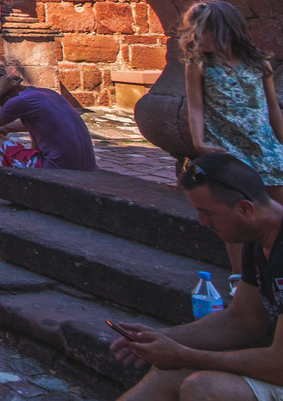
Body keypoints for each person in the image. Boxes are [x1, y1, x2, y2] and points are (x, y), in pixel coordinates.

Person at [111, 152, 283, 400]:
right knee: (170, 371)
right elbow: (243, 320)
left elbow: (279, 365)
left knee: (203, 387)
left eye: (208, 213)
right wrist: (160, 338)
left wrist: (185, 354)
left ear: (245, 208)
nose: (202, 222)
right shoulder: (259, 240)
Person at [184, 0, 283, 280]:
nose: (193, 38)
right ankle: (241, 277)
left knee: (276, 208)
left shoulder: (259, 64)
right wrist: (199, 142)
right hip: (228, 149)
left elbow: (272, 106)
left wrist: (281, 140)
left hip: (265, 147)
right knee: (231, 215)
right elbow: (195, 106)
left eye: (201, 31)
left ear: (225, 31)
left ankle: (274, 267)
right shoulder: (199, 65)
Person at [0, 69, 97, 191]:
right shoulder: (47, 93)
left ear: (2, 88)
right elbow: (42, 122)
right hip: (87, 168)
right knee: (34, 130)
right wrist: (6, 128)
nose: (0, 105)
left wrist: (0, 93)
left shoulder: (20, 101)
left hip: (56, 170)